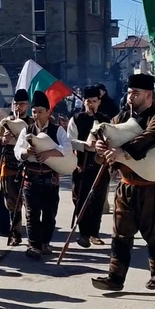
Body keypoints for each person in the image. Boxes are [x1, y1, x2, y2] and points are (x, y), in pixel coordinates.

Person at [92, 73, 155, 292]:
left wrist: (121, 151)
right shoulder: (120, 119)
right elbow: (105, 146)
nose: (130, 97)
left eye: (135, 93)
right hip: (127, 185)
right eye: (129, 92)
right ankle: (115, 278)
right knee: (121, 233)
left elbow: (149, 138)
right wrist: (100, 149)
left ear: (148, 94)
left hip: (154, 187)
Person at [14, 90, 72, 260]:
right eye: (34, 112)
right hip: (31, 177)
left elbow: (67, 149)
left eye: (40, 112)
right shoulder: (27, 130)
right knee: (32, 213)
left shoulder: (57, 130)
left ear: (48, 112)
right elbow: (17, 151)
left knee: (49, 212)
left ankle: (45, 243)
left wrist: (50, 153)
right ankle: (34, 245)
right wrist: (26, 152)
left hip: (50, 178)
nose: (37, 115)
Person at [68, 86, 111, 247]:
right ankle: (84, 233)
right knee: (80, 199)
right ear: (83, 102)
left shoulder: (105, 120)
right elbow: (69, 140)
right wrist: (85, 145)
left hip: (100, 167)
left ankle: (94, 233)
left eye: (94, 101)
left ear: (99, 102)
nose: (91, 104)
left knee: (98, 201)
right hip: (82, 166)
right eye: (88, 101)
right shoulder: (76, 119)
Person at [0, 89, 33, 247]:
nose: (18, 107)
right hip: (10, 166)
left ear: (27, 105)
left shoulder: (33, 123)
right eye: (16, 104)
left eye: (21, 104)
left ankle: (34, 237)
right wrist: (3, 139)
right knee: (12, 203)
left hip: (29, 167)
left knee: (31, 204)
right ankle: (15, 234)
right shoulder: (6, 121)